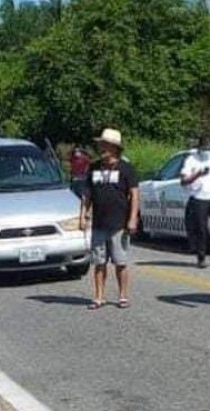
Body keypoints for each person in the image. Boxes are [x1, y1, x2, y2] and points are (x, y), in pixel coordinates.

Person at [80, 128, 140, 310]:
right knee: (99, 262)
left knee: (120, 262)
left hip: (119, 223)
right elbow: (86, 195)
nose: (102, 148)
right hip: (99, 223)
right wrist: (83, 216)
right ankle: (99, 296)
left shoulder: (126, 168)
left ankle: (123, 296)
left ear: (115, 148)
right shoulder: (93, 167)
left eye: (105, 145)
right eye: (101, 145)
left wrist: (132, 219)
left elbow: (135, 195)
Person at [180, 135, 210, 268]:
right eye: (204, 148)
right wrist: (197, 174)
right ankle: (201, 257)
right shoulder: (191, 160)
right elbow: (183, 181)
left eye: (208, 148)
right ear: (199, 147)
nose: (206, 150)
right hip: (199, 198)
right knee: (201, 229)